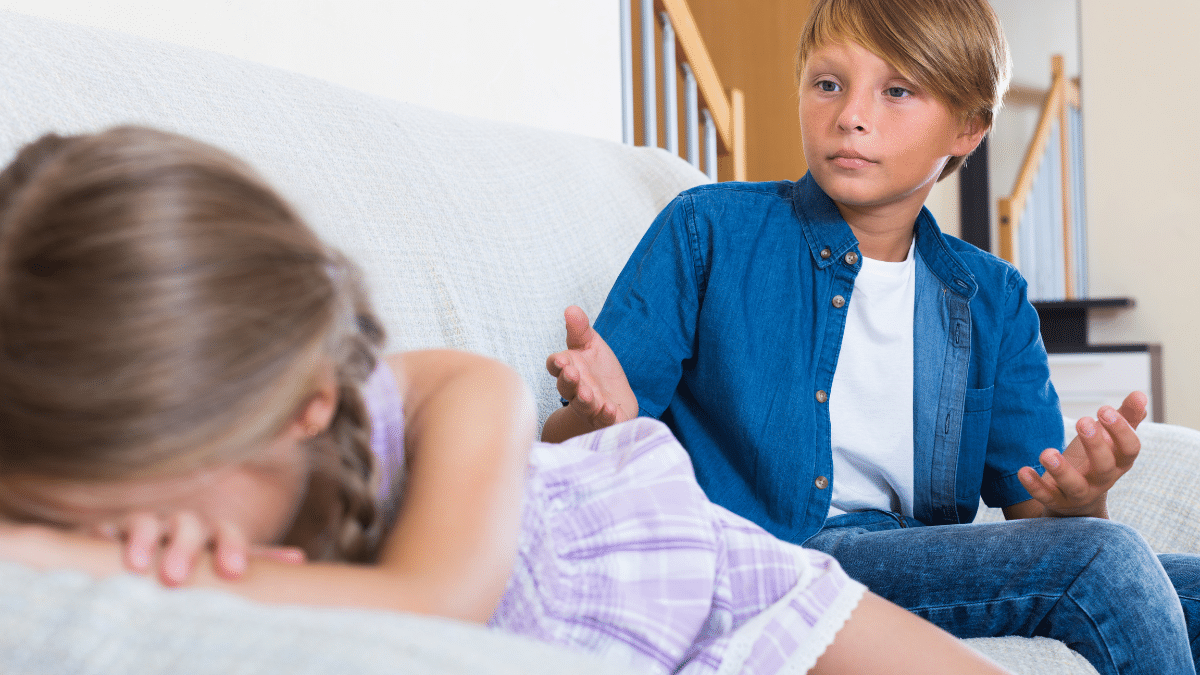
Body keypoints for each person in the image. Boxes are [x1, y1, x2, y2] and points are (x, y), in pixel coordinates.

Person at [0, 126, 1011, 675]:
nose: (137, 557)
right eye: (99, 537)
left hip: (710, 580)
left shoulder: (447, 396)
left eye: (133, 525)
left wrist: (69, 556)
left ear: (302, 403)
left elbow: (430, 609)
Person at [542, 0, 1200, 673]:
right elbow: (564, 457)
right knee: (1106, 559)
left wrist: (1084, 498)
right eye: (828, 84)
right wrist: (593, 418)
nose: (851, 115)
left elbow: (1037, 511)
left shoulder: (992, 297)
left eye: (896, 91)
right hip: (766, 555)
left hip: (908, 561)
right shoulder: (709, 231)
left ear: (968, 128)